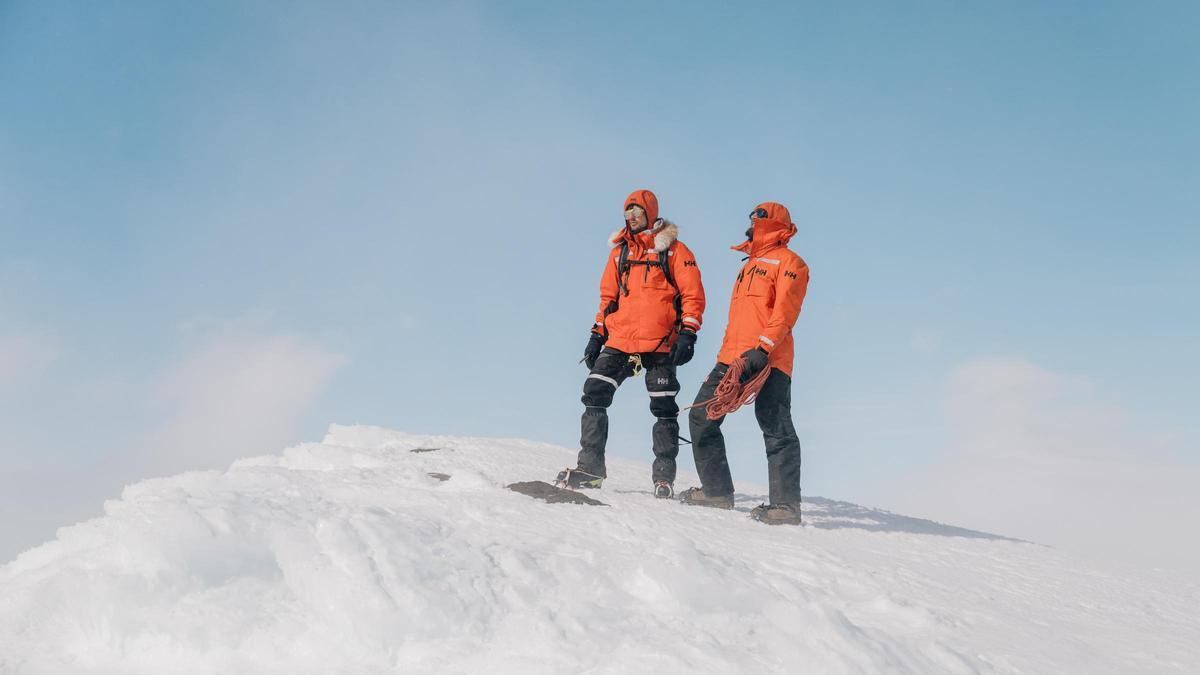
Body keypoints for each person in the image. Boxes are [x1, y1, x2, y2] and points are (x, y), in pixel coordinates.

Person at [557, 189, 705, 498]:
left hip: (661, 343)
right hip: (620, 339)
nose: (631, 217)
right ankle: (591, 470)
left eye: (636, 211)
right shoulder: (619, 253)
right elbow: (607, 299)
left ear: (650, 213)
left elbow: (693, 295)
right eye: (627, 213)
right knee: (594, 392)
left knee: (664, 408)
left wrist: (689, 332)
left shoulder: (676, 251)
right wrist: (597, 335)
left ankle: (663, 478)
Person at [680, 201, 810, 525]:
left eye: (757, 219)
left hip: (770, 358)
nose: (751, 224)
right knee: (701, 416)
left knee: (775, 424)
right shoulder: (746, 266)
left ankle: (785, 507)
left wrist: (763, 349)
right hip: (732, 358)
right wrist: (727, 355)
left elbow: (785, 312)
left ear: (771, 224)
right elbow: (738, 320)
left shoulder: (791, 263)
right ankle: (716, 492)